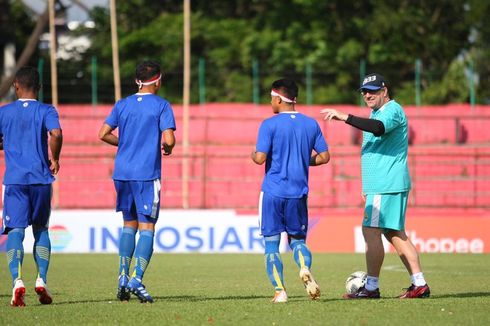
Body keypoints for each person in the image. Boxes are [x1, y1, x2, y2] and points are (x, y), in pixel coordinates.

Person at [321, 73, 430, 299]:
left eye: (372, 90)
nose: (367, 95)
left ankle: (371, 287)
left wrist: (345, 117)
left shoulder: (391, 110)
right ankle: (419, 284)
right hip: (383, 184)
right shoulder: (377, 112)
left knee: (370, 230)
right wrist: (367, 186)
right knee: (395, 233)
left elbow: (379, 128)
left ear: (385, 91)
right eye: (364, 91)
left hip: (386, 184)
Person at [99, 60, 176, 303]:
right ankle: (136, 279)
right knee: (147, 227)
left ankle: (122, 276)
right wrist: (165, 145)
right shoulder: (162, 105)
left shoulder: (122, 104)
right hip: (146, 174)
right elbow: (170, 139)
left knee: (128, 225)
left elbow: (103, 133)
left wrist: (124, 144)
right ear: (159, 80)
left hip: (121, 173)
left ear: (136, 81)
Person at [252, 78, 330, 303]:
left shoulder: (269, 124)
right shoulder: (311, 124)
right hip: (298, 192)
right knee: (298, 241)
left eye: (271, 98)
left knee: (271, 244)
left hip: (273, 192)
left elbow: (260, 158)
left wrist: (252, 154)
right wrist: (303, 160)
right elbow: (324, 157)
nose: (270, 102)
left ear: (278, 98)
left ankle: (280, 291)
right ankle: (304, 267)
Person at [0, 66, 63, 307]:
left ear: (16, 85)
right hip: (40, 179)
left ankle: (17, 281)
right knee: (41, 230)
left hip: (15, 181)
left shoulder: (4, 113)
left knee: (15, 231)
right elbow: (55, 133)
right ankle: (42, 279)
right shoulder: (47, 110)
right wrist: (55, 158)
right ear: (39, 87)